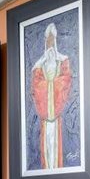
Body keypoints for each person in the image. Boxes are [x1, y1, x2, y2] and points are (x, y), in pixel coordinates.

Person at [30, 22, 73, 170]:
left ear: (55, 41)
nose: (50, 44)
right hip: (45, 114)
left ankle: (56, 167)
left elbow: (66, 79)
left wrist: (52, 85)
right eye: (47, 40)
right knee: (46, 142)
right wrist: (47, 85)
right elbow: (35, 85)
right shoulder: (39, 66)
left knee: (56, 141)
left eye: (52, 40)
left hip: (57, 112)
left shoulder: (62, 61)